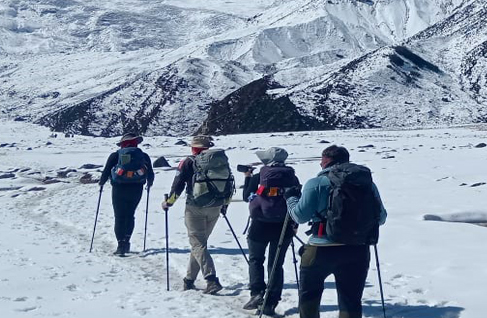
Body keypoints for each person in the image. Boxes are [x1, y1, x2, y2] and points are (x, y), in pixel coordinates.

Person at [285, 145, 387, 318]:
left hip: (320, 249)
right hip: (357, 249)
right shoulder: (366, 184)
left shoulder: (316, 183)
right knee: (351, 299)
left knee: (309, 296)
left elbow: (299, 216)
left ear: (326, 161)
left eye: (321, 160)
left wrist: (291, 198)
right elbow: (381, 217)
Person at [161, 135, 234, 294]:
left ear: (193, 148)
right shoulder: (219, 161)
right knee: (200, 244)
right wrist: (225, 205)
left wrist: (169, 203)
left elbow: (178, 185)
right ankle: (189, 280)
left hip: (195, 207)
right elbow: (229, 184)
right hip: (216, 206)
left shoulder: (187, 162)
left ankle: (211, 279)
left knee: (198, 244)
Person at [242, 147, 301, 313]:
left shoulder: (258, 176)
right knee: (276, 264)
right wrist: (295, 224)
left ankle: (257, 293)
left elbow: (247, 196)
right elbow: (297, 201)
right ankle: (271, 302)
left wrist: (247, 178)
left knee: (256, 260)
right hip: (284, 226)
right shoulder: (292, 177)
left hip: (259, 224)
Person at [98, 133, 154, 256]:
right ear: (136, 143)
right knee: (130, 215)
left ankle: (120, 244)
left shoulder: (115, 155)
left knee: (119, 216)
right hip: (137, 188)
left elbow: (106, 171)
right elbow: (150, 173)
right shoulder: (143, 156)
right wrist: (149, 183)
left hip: (119, 188)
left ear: (122, 144)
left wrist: (101, 183)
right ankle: (127, 241)